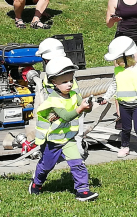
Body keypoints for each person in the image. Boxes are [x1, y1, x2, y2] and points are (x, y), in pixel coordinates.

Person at [29, 56, 98, 201]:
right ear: (54, 82)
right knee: (46, 166)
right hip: (53, 141)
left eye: (71, 80)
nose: (69, 84)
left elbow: (85, 110)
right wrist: (80, 108)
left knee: (77, 163)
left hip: (68, 139)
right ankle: (36, 183)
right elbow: (66, 116)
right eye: (64, 82)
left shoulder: (74, 95)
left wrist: (88, 105)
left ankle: (82, 190)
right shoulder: (53, 100)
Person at [100, 36, 137, 162]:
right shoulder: (117, 71)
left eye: (118, 59)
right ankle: (124, 147)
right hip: (123, 105)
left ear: (126, 57)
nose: (116, 62)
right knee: (125, 128)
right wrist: (105, 97)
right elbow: (113, 85)